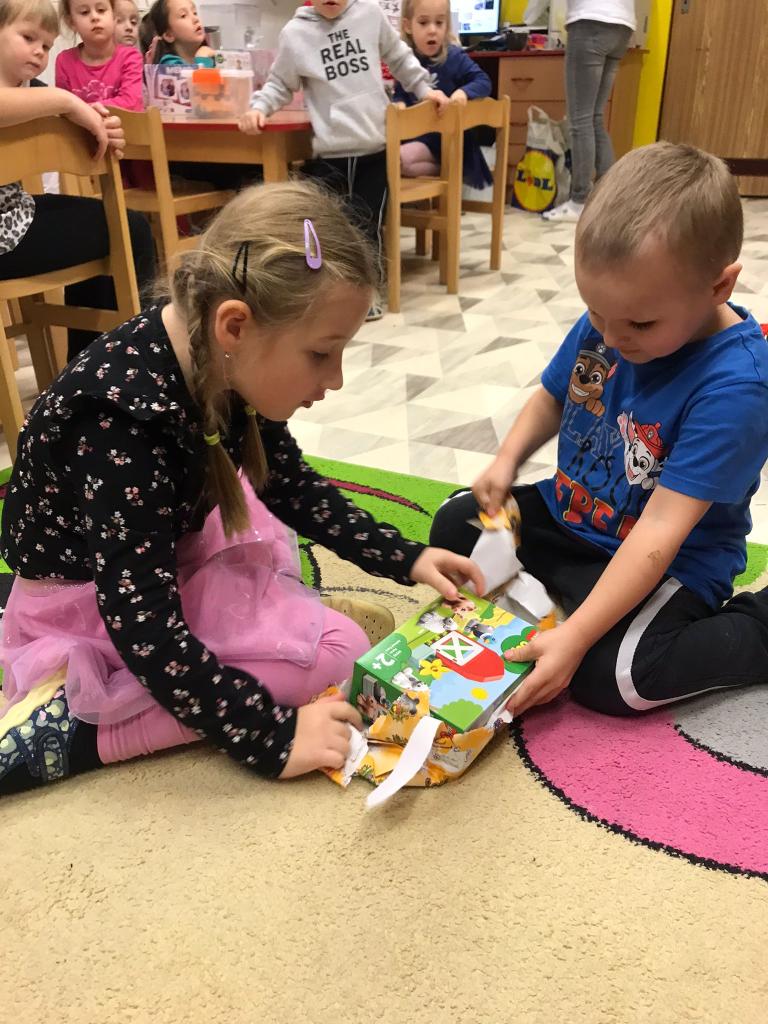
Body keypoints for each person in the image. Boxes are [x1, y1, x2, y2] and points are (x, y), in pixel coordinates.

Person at [0, 180, 484, 796]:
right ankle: (77, 732)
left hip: (159, 554)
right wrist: (272, 736)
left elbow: (289, 486)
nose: (335, 379)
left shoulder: (218, 357)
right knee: (335, 656)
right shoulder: (117, 423)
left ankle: (273, 631)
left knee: (260, 520)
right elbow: (145, 627)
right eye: (321, 354)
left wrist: (405, 556)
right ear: (235, 325)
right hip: (90, 605)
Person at [430, 142, 768, 719]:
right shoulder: (615, 320)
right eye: (595, 312)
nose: (610, 338)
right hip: (573, 521)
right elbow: (552, 396)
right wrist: (506, 461)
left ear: (719, 287)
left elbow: (660, 531)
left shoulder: (737, 387)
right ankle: (575, 604)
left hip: (668, 560)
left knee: (613, 675)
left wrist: (577, 637)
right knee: (454, 525)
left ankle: (757, 628)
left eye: (639, 323)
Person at [239, 0, 450, 322]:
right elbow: (280, 82)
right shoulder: (295, 33)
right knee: (329, 231)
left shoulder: (369, 14)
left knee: (369, 227)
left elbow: (398, 56)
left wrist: (424, 89)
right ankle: (331, 296)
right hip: (329, 155)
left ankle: (369, 293)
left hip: (373, 150)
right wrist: (259, 108)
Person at [0, 0, 155, 362]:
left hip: (14, 217)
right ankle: (118, 368)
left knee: (111, 224)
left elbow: (78, 121)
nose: (39, 51)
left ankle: (90, 368)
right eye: (28, 38)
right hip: (7, 232)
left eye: (47, 45)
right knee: (126, 230)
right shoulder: (41, 94)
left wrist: (100, 125)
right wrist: (68, 102)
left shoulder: (31, 89)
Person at [542, 0, 634, 223]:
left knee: (580, 120)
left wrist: (529, 16)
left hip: (590, 21)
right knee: (594, 117)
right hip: (623, 26)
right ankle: (611, 200)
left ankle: (579, 201)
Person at [394, 0, 492, 189]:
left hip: (448, 142)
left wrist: (463, 92)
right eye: (423, 23)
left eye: (439, 23)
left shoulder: (454, 57)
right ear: (407, 26)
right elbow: (400, 94)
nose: (432, 30)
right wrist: (398, 105)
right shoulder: (405, 61)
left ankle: (454, 168)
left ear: (447, 25)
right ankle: (450, 170)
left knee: (396, 158)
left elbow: (483, 80)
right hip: (416, 138)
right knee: (390, 158)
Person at [55, 0, 143, 111]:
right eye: (84, 12)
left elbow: (131, 103)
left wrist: (81, 110)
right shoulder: (64, 61)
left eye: (101, 10)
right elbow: (63, 109)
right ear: (71, 22)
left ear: (114, 16)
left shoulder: (131, 57)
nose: (95, 17)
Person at [140, 0, 214, 67]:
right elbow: (191, 78)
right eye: (183, 15)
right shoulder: (169, 65)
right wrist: (202, 60)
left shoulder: (208, 55)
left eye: (195, 13)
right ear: (168, 35)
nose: (196, 19)